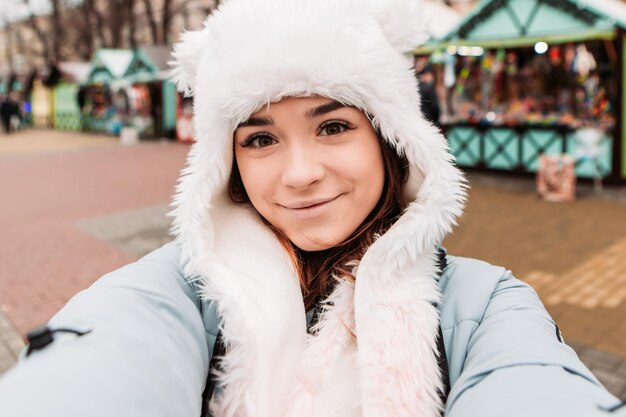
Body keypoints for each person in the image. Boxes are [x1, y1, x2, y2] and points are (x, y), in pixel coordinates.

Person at [0, 0, 623, 416]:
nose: (299, 174)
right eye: (261, 139)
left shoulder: (484, 306)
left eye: (332, 127)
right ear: (228, 164)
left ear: (391, 140)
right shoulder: (179, 292)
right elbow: (103, 362)